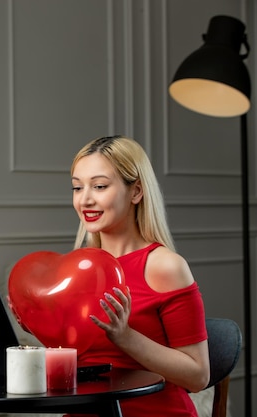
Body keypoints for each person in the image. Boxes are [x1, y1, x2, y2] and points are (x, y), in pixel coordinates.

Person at [69, 135, 209, 417]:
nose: (85, 199)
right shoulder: (78, 269)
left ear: (136, 192)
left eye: (99, 186)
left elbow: (198, 376)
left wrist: (126, 336)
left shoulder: (165, 266)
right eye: (77, 187)